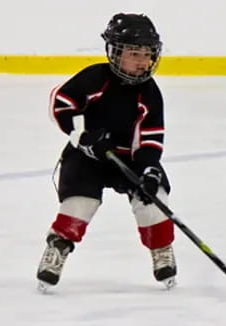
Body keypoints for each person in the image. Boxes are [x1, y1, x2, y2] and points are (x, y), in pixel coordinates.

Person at [36, 13, 176, 291]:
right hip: (87, 157)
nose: (142, 61)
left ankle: (161, 248)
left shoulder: (149, 93)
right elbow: (61, 104)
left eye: (147, 54)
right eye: (134, 53)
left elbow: (149, 138)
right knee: (80, 203)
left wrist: (148, 168)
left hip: (128, 158)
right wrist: (84, 136)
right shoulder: (95, 78)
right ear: (115, 52)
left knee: (154, 199)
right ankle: (58, 247)